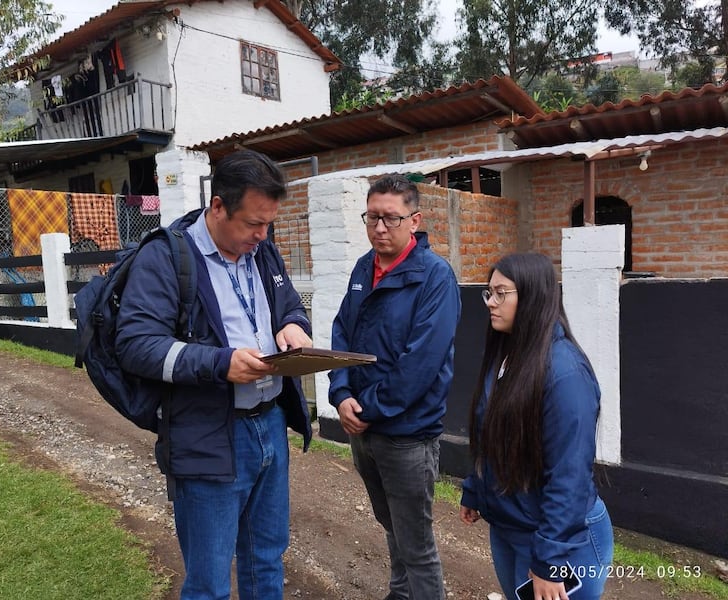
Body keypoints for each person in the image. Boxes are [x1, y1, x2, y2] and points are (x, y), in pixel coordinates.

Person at [115, 149, 313, 600]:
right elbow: (136, 346)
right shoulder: (167, 258)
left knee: (266, 559)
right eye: (253, 224)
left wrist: (293, 325)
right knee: (208, 580)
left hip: (269, 424)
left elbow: (287, 304)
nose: (263, 236)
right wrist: (221, 364)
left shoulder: (260, 251)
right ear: (218, 206)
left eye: (269, 225)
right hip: (208, 436)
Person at [328, 173, 462, 600]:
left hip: (406, 434)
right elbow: (342, 332)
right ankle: (400, 594)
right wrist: (341, 393)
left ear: (415, 220)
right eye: (372, 218)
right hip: (364, 426)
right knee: (390, 524)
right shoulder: (363, 268)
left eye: (390, 218)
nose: (379, 228)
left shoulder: (435, 277)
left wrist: (364, 409)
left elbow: (420, 364)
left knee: (416, 543)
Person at [459, 253, 614, 600]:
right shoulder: (508, 354)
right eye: (488, 293)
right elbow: (492, 434)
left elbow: (570, 473)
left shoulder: (564, 373)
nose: (491, 303)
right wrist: (475, 488)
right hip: (510, 526)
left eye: (501, 293)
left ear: (531, 296)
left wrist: (550, 559)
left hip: (561, 541)